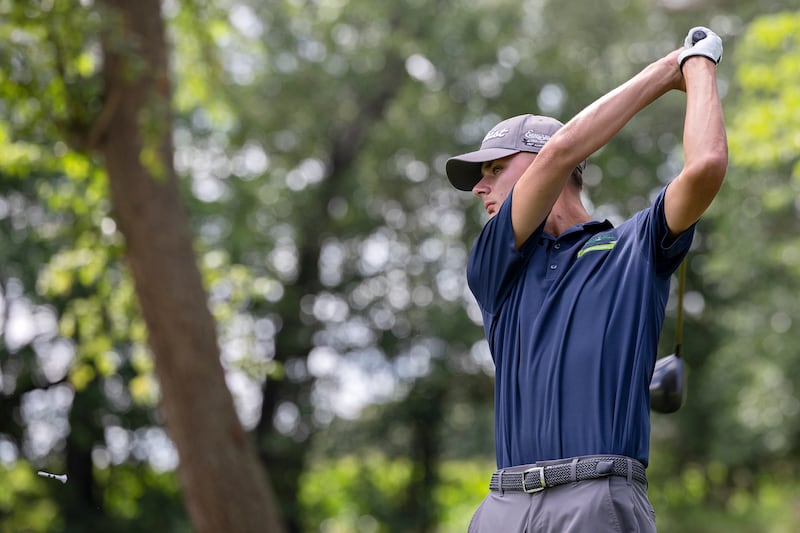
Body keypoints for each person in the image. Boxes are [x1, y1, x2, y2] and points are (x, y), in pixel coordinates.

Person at [445, 27, 727, 532]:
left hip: (598, 503)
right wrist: (669, 68)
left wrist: (695, 64)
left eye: (494, 169)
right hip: (503, 506)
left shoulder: (634, 246)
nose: (480, 188)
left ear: (538, 164)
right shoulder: (495, 264)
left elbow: (705, 166)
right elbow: (557, 154)